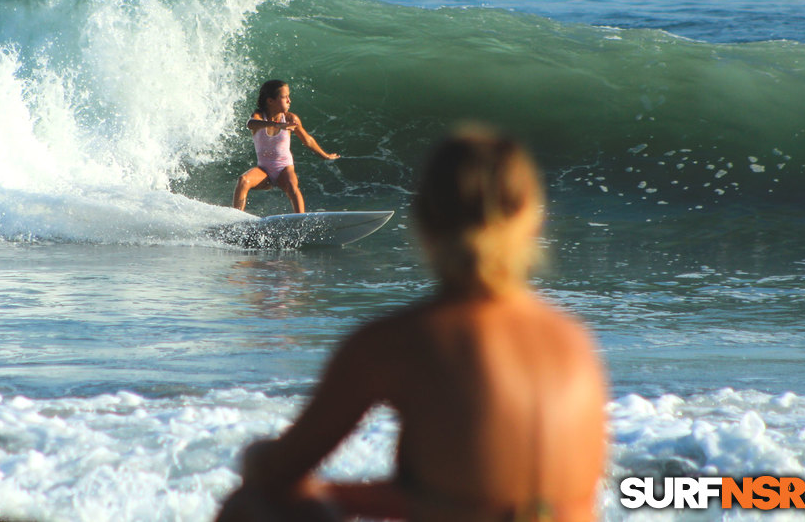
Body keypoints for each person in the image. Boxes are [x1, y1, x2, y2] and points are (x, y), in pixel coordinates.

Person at [217, 126, 608, 522]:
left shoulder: (400, 341)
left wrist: (256, 459)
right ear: (532, 220)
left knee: (250, 505)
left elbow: (278, 472)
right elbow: (498, 500)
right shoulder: (574, 340)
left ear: (423, 220)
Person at [232, 80, 340, 215]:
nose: (289, 100)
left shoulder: (290, 118)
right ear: (270, 101)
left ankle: (299, 220)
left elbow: (308, 140)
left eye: (289, 96)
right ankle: (236, 219)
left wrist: (325, 155)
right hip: (264, 171)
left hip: (284, 168)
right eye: (284, 97)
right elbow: (250, 124)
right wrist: (276, 124)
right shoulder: (259, 117)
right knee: (243, 180)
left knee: (292, 186)